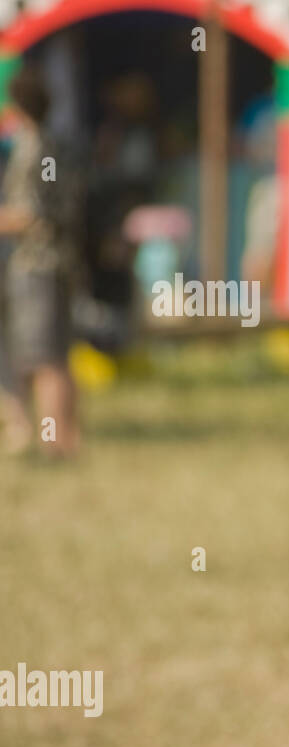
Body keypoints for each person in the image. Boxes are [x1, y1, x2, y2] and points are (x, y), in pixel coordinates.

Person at [0, 65, 81, 457]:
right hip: (59, 263)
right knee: (58, 358)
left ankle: (52, 444)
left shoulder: (32, 150)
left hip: (37, 266)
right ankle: (66, 440)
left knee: (43, 361)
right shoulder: (55, 145)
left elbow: (33, 212)